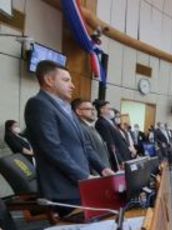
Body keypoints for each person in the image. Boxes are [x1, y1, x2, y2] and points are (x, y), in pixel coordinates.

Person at [24, 60, 112, 211]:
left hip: (80, 185)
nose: (72, 85)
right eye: (66, 80)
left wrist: (103, 169)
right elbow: (51, 148)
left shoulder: (66, 109)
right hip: (63, 190)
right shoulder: (38, 104)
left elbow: (85, 145)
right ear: (49, 80)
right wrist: (83, 176)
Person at [71, 98, 110, 171]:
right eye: (89, 109)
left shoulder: (90, 127)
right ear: (79, 111)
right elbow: (88, 154)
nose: (93, 112)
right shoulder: (80, 128)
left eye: (93, 109)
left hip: (103, 170)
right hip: (96, 173)